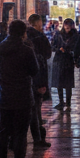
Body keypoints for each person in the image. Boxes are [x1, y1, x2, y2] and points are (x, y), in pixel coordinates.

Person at [0, 20, 38, 158]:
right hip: (22, 98)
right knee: (20, 134)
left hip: (4, 97)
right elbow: (34, 70)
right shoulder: (26, 50)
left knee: (3, 133)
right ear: (23, 33)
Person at [26, 14, 52, 149]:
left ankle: (14, 141)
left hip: (16, 85)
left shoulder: (21, 40)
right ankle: (38, 139)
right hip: (35, 80)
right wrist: (42, 84)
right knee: (35, 110)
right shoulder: (39, 38)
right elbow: (47, 55)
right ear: (37, 23)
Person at [49, 18, 77, 110]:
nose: (67, 28)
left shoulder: (75, 36)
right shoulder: (58, 35)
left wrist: (70, 51)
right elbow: (52, 46)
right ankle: (61, 102)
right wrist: (59, 49)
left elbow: (76, 48)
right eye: (66, 26)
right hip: (59, 60)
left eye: (69, 26)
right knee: (59, 82)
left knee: (68, 84)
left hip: (68, 61)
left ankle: (68, 104)